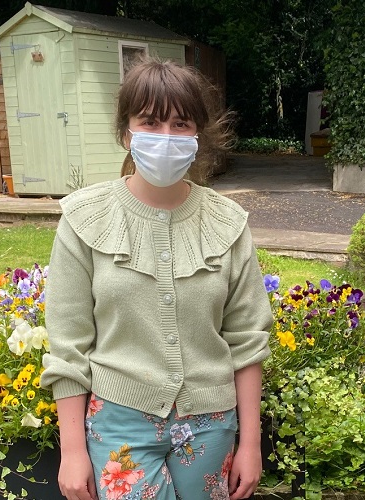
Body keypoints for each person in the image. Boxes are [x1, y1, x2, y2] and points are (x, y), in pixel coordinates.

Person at [41, 57, 273, 500]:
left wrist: (251, 443)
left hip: (212, 424)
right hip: (119, 423)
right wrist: (72, 451)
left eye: (181, 124)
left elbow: (247, 340)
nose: (165, 137)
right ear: (127, 133)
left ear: (198, 136)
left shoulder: (228, 223)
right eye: (150, 121)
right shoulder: (83, 219)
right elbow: (67, 345)